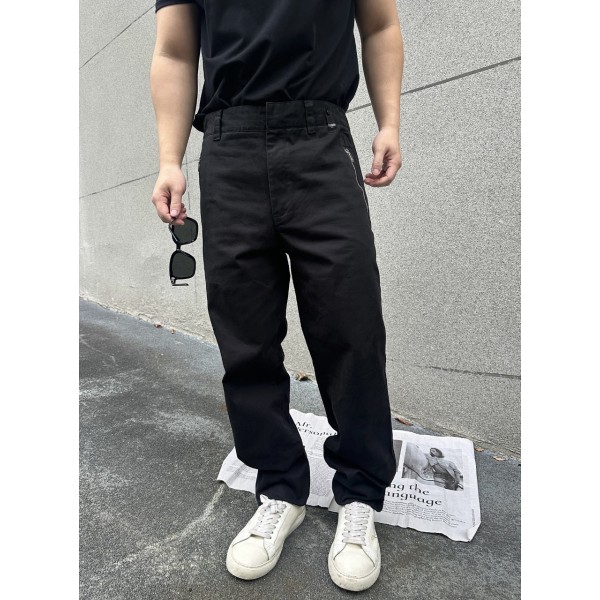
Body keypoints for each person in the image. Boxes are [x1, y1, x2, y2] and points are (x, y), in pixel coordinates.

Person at [150, 0, 404, 592]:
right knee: (246, 335)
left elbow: (380, 22)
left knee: (350, 325)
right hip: (229, 146)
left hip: (320, 138)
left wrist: (389, 121)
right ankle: (280, 489)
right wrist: (168, 159)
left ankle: (359, 495)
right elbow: (175, 50)